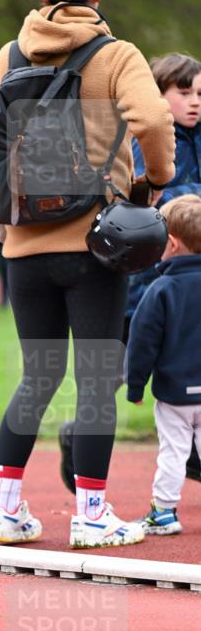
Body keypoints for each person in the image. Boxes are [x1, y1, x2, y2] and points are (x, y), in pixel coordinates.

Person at [0, 0, 175, 549]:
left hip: (22, 242)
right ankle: (90, 514)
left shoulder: (11, 55)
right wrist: (152, 180)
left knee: (37, 376)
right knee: (93, 379)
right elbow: (154, 119)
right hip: (95, 240)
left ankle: (3, 509)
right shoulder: (116, 54)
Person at [126, 195, 201, 535]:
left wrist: (135, 385)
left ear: (170, 243)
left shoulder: (161, 289)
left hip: (174, 394)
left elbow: (143, 342)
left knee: (174, 452)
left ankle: (164, 513)